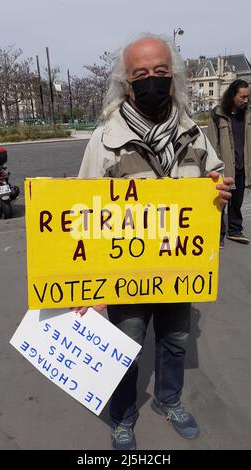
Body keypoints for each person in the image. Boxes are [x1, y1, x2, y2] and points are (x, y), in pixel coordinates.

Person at [77, 33, 233, 450]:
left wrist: (218, 192)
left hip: (179, 268)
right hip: (124, 273)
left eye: (160, 72)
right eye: (141, 74)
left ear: (174, 75)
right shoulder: (104, 140)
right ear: (127, 83)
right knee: (124, 346)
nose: (152, 80)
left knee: (175, 341)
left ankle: (169, 401)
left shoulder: (192, 134)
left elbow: (213, 180)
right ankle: (123, 417)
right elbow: (81, 211)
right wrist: (89, 286)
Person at [207, 79, 251, 247]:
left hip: (242, 166)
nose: (246, 100)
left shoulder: (248, 114)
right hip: (224, 167)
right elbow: (211, 143)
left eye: (248, 97)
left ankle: (235, 230)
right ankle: (218, 235)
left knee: (237, 201)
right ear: (233, 95)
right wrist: (214, 167)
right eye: (242, 97)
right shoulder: (217, 114)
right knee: (221, 203)